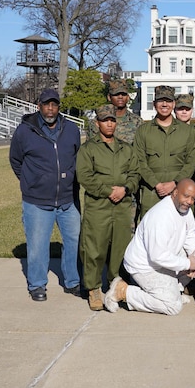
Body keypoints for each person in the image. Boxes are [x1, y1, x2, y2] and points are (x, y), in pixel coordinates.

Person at [9, 88, 81, 302]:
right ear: (38, 106)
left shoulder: (71, 129)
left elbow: (77, 157)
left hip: (68, 200)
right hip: (37, 202)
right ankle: (37, 284)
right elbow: (16, 161)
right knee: (38, 245)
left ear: (59, 107)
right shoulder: (24, 131)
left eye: (54, 104)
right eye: (46, 104)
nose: (50, 109)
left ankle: (73, 281)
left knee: (74, 242)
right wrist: (32, 181)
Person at [104, 179, 195, 315]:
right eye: (186, 196)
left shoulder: (186, 210)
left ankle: (174, 291)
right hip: (144, 266)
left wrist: (194, 256)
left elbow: (190, 234)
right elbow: (157, 256)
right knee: (173, 307)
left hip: (163, 259)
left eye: (193, 198)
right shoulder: (160, 216)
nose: (189, 201)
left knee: (192, 259)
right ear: (175, 192)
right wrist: (187, 263)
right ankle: (123, 291)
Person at [76, 104, 140, 310]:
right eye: (105, 120)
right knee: (94, 248)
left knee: (120, 248)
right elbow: (85, 176)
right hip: (99, 206)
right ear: (97, 123)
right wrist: (107, 191)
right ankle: (94, 289)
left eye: (112, 120)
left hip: (122, 206)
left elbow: (135, 174)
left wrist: (125, 188)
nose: (109, 124)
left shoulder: (126, 149)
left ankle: (116, 285)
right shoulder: (88, 149)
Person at [133, 85, 195, 217]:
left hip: (180, 190)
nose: (164, 104)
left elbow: (191, 161)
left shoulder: (187, 132)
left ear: (173, 104)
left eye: (168, 101)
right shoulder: (143, 131)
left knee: (178, 232)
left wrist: (175, 182)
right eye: (160, 101)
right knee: (152, 231)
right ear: (154, 104)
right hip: (151, 191)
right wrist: (156, 184)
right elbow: (139, 161)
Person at [87, 79, 143, 144]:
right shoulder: (97, 123)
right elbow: (90, 148)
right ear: (109, 97)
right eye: (116, 94)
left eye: (123, 94)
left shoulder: (137, 122)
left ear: (128, 97)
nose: (120, 97)